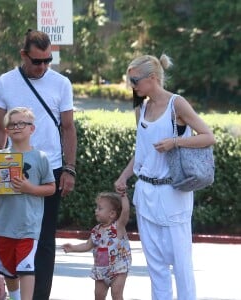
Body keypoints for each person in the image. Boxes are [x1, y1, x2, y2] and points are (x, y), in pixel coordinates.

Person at [114, 54, 216, 300]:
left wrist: (175, 142)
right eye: (130, 80)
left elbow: (208, 136)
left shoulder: (176, 104)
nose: (132, 85)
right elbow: (141, 153)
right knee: (155, 265)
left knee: (181, 264)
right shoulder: (141, 108)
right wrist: (124, 176)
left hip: (173, 192)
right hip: (146, 191)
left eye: (135, 80)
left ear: (152, 78)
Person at [0, 29, 77, 300]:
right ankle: (16, 295)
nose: (42, 67)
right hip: (13, 166)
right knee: (11, 235)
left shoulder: (61, 83)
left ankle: (38, 297)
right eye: (37, 61)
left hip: (49, 166)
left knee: (45, 239)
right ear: (23, 55)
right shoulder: (5, 83)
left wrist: (69, 168)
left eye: (47, 60)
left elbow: (69, 127)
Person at [0, 107, 56, 300]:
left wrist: (30, 188)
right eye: (12, 124)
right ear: (6, 130)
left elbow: (51, 188)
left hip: (29, 225)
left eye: (22, 123)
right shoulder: (0, 156)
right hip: (4, 224)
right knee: (8, 269)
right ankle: (15, 297)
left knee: (26, 266)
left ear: (32, 129)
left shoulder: (40, 158)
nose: (16, 127)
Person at [62, 192, 132, 300]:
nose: (96, 211)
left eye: (100, 208)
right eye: (97, 208)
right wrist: (73, 248)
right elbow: (87, 245)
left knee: (116, 294)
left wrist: (123, 196)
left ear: (112, 214)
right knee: (98, 296)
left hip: (118, 269)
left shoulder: (118, 227)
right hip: (100, 270)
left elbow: (126, 212)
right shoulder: (96, 230)